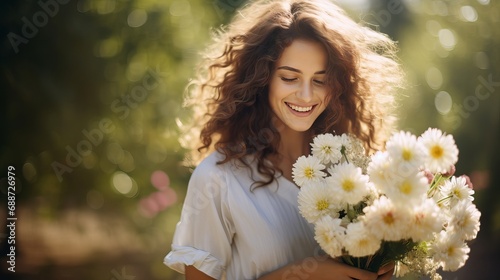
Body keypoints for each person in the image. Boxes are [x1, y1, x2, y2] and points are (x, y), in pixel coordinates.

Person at [164, 0, 404, 279]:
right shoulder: (218, 179)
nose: (305, 95)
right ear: (261, 78)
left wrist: (380, 265)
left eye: (320, 80)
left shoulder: (352, 175)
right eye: (290, 78)